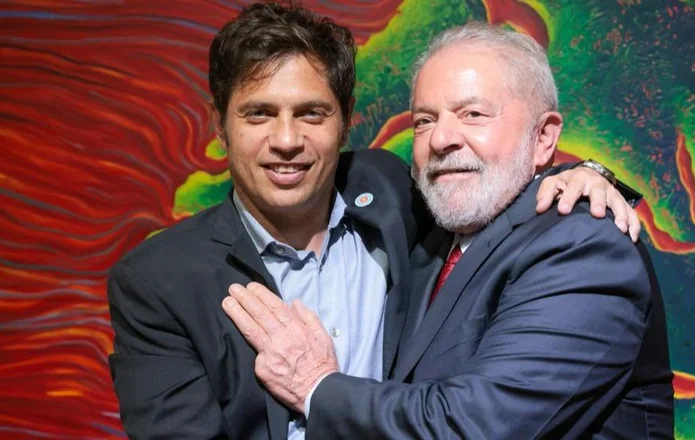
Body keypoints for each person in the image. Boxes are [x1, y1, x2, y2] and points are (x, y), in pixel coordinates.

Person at [108, 3, 642, 439]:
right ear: (221, 128)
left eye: (311, 113)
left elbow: (496, 181)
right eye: (259, 114)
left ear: (345, 125)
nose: (287, 140)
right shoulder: (159, 279)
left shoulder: (391, 193)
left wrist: (585, 174)